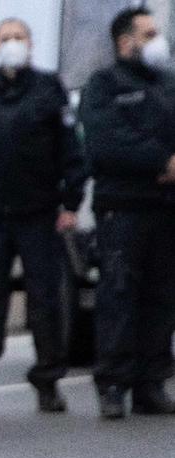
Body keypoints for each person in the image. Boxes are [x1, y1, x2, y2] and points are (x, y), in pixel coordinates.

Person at [0, 17, 87, 417]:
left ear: (30, 44)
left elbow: (71, 151)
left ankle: (47, 381)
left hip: (39, 213)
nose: (12, 44)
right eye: (5, 38)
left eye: (19, 38)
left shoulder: (48, 89)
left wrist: (71, 203)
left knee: (45, 301)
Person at [78, 6, 175, 419]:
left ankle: (151, 384)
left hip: (166, 209)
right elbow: (107, 143)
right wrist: (162, 162)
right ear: (125, 42)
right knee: (119, 294)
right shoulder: (102, 86)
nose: (158, 41)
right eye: (149, 33)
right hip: (123, 207)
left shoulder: (169, 85)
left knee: (162, 297)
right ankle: (113, 383)